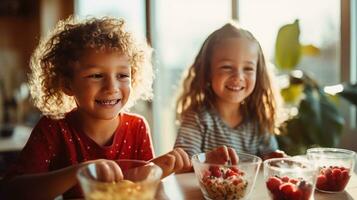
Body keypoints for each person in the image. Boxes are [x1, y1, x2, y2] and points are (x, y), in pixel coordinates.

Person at [0, 16, 192, 200]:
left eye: (123, 75)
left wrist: (160, 168)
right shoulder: (54, 128)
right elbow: (11, 190)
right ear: (68, 85)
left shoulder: (137, 126)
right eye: (96, 76)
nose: (112, 87)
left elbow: (135, 184)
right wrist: (79, 172)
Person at [174, 22, 286, 160]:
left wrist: (275, 159)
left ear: (259, 74)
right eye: (226, 67)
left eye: (248, 69)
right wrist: (207, 160)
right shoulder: (197, 119)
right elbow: (182, 165)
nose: (238, 77)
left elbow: (269, 164)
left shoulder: (258, 121)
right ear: (208, 71)